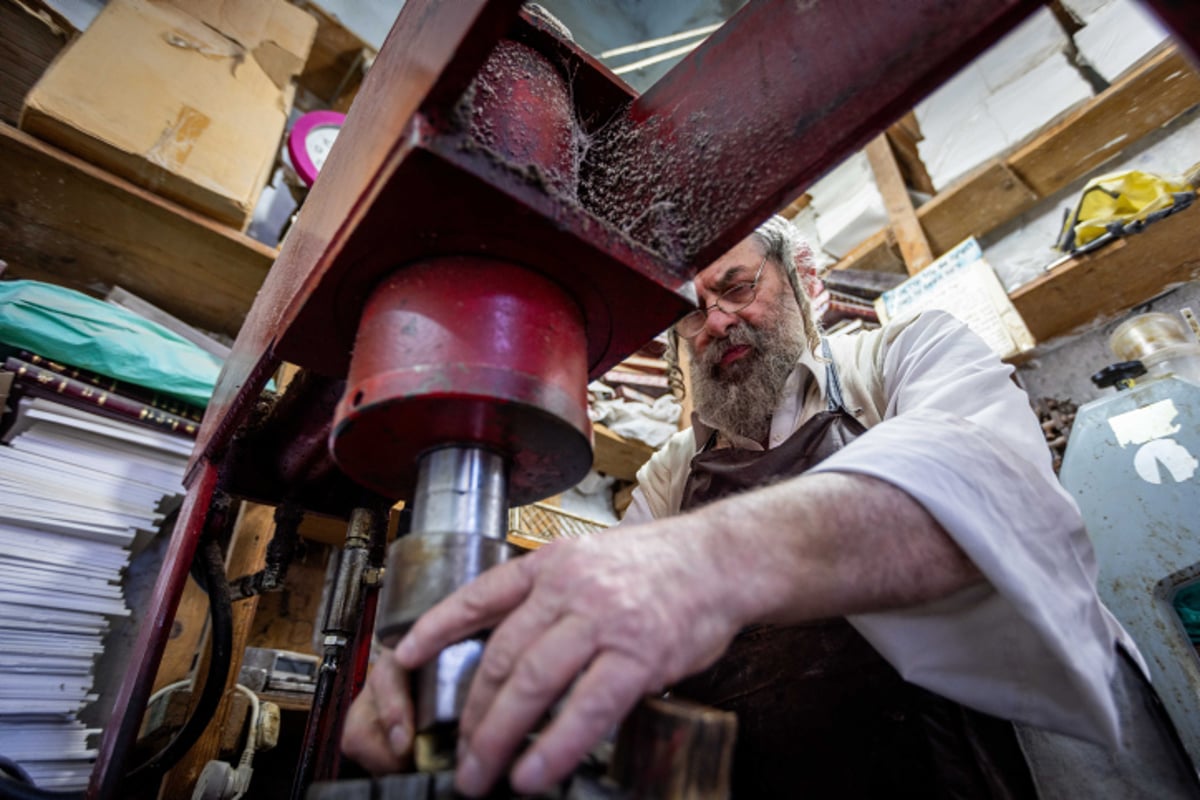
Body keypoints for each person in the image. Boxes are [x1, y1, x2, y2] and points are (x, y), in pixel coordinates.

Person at [342, 217, 1200, 798]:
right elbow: (608, 631)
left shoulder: (904, 356)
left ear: (805, 282)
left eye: (738, 286)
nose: (714, 322)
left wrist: (705, 564)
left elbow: (988, 484)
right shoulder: (674, 475)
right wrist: (464, 685)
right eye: (690, 313)